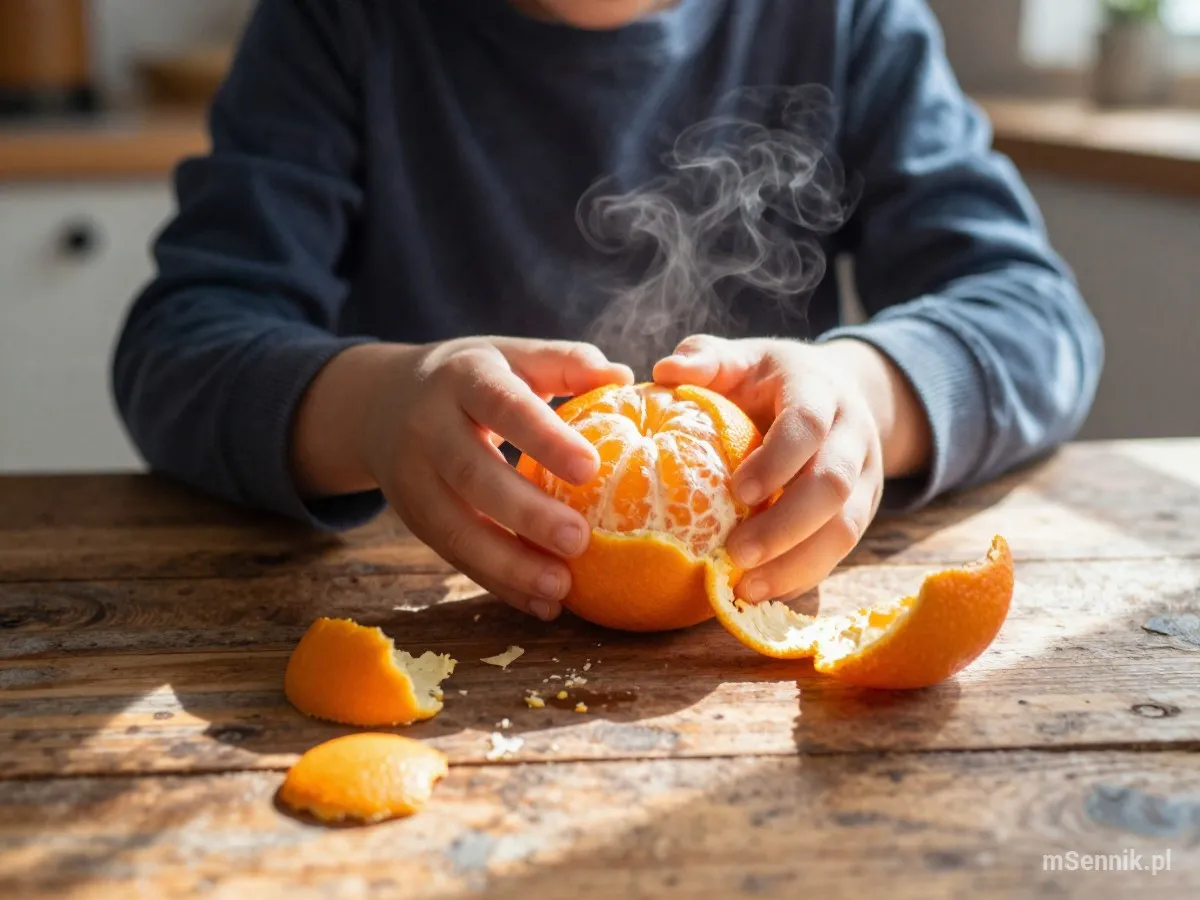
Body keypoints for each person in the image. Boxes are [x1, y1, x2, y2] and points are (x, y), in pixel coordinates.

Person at [111, 0, 1103, 623]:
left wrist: (868, 397)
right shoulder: (335, 24)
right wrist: (373, 407)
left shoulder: (850, 19)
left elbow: (1036, 317)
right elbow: (180, 344)